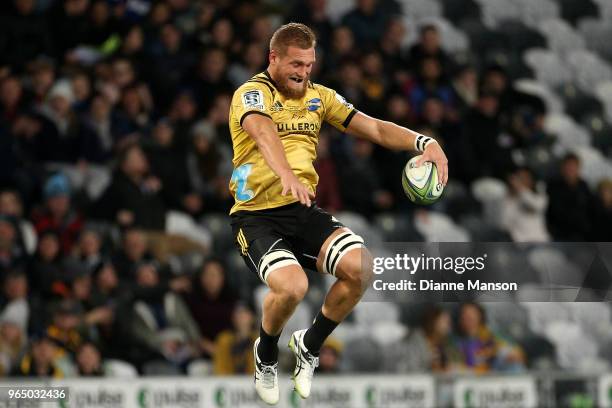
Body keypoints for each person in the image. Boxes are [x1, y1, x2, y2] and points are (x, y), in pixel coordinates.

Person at [228, 23, 448, 404]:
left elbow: (375, 128)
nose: (303, 73)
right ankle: (265, 354)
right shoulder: (251, 93)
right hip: (256, 215)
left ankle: (308, 346)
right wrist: (286, 176)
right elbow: (264, 134)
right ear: (273, 58)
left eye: (310, 65)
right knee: (293, 287)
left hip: (301, 209)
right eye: (296, 64)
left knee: (361, 268)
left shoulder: (320, 97)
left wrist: (424, 142)